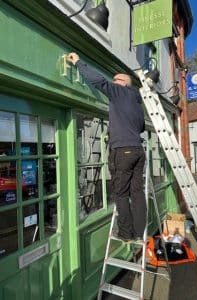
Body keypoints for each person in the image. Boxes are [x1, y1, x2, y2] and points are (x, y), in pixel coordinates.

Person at [67, 52, 146, 242]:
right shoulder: (136, 102)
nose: (113, 81)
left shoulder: (119, 91)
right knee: (137, 192)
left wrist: (78, 61)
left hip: (123, 150)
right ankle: (139, 230)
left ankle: (126, 233)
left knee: (120, 192)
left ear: (123, 82)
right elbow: (141, 127)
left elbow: (98, 81)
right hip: (137, 150)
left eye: (115, 79)